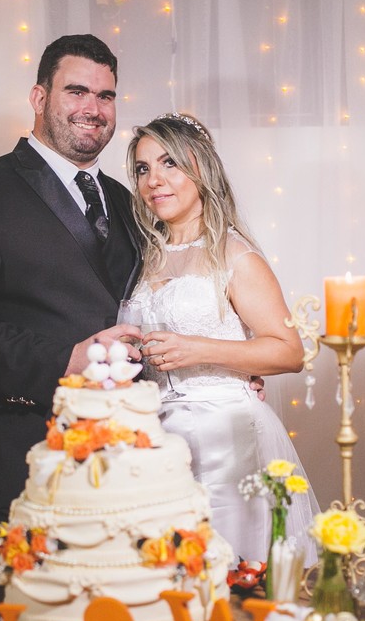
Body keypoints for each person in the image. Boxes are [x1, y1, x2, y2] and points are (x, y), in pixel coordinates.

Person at [0, 35, 141, 587]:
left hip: (123, 465)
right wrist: (64, 360)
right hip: (16, 462)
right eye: (77, 91)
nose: (94, 108)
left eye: (106, 96)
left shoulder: (127, 200)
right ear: (39, 97)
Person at [125, 112, 320, 565]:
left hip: (227, 440)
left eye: (170, 163)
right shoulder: (145, 255)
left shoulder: (235, 254)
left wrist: (197, 350)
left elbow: (289, 351)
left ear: (202, 168)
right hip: (160, 442)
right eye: (143, 168)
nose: (154, 180)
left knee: (232, 568)